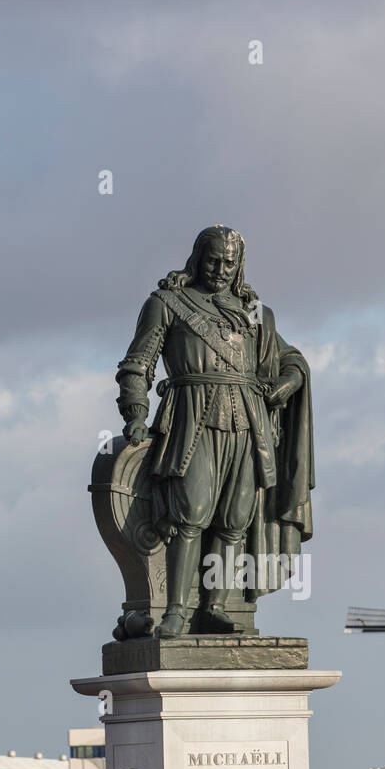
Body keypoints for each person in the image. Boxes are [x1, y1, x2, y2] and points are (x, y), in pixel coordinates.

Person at [115, 225, 314, 637]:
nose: (221, 269)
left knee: (234, 520)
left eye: (229, 262)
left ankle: (215, 607)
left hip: (248, 421)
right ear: (197, 257)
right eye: (213, 260)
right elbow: (138, 364)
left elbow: (289, 358)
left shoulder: (256, 312)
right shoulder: (166, 303)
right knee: (191, 512)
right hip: (191, 418)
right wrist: (136, 413)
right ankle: (175, 611)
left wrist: (288, 381)